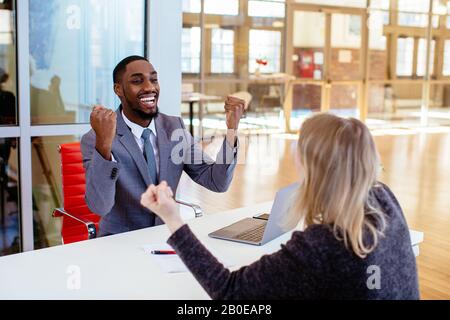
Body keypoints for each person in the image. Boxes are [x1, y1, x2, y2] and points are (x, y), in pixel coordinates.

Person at [140, 113, 420, 300]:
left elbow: (229, 292)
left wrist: (173, 219)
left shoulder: (322, 245)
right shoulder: (384, 198)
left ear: (312, 164)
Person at [81, 55, 244, 236]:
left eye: (154, 80)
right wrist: (104, 145)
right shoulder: (97, 137)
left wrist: (231, 131)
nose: (149, 87)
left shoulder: (175, 128)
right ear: (118, 89)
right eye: (137, 81)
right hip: (121, 241)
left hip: (168, 235)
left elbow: (216, 182)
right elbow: (100, 206)